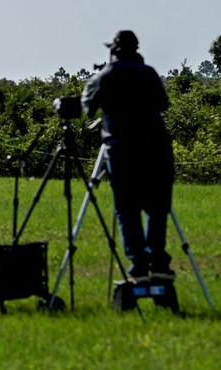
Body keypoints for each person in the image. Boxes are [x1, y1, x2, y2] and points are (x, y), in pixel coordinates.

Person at [82, 31, 175, 283]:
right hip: (156, 149)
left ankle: (137, 265)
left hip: (122, 151)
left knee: (127, 209)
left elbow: (88, 107)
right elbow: (163, 104)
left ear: (113, 50)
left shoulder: (105, 76)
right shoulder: (149, 73)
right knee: (157, 209)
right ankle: (158, 261)